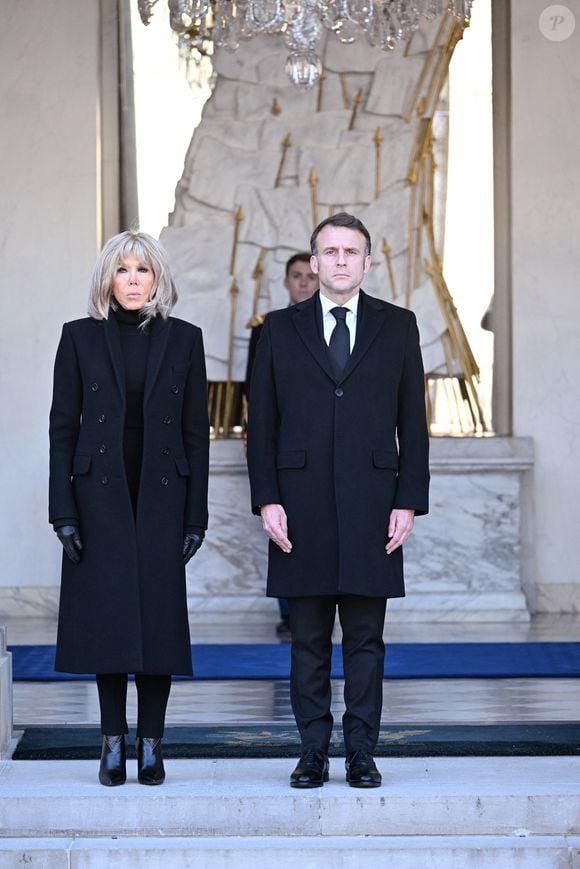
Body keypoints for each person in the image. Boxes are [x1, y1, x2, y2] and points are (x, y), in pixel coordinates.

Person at [247, 213, 429, 789]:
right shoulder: (277, 328)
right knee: (306, 639)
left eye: (352, 251)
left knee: (366, 638)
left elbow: (413, 424)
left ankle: (361, 753)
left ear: (368, 262)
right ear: (314, 261)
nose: (342, 260)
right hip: (298, 507)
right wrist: (266, 500)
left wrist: (409, 500)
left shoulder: (399, 326)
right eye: (331, 251)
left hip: (375, 505)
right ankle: (311, 753)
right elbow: (263, 424)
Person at [49, 231, 209, 787]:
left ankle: (152, 744)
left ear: (158, 277)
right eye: (123, 270)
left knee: (158, 624)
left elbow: (196, 433)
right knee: (109, 623)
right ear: (108, 279)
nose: (134, 279)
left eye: (143, 269)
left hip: (163, 496)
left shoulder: (186, 339)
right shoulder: (78, 338)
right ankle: (112, 741)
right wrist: (62, 511)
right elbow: (62, 428)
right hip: (99, 500)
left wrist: (197, 517)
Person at [244, 252, 318, 637]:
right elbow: (254, 391)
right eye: (296, 276)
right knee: (283, 530)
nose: (303, 282)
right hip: (280, 444)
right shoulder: (269, 327)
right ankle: (291, 614)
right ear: (286, 282)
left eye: (309, 275)